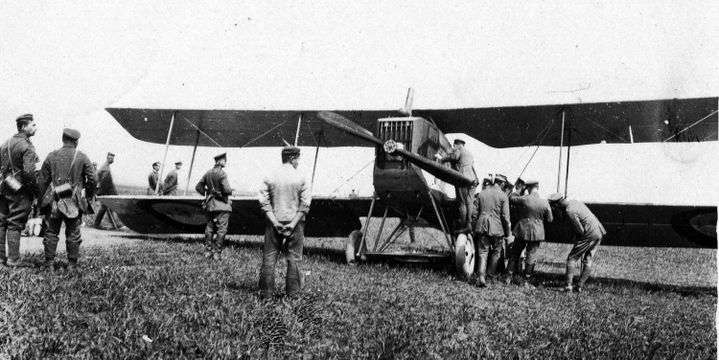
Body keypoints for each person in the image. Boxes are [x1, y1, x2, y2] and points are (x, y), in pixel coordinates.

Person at [38, 128, 96, 271]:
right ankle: (72, 265)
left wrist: (42, 201)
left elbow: (41, 181)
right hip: (74, 202)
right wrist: (88, 194)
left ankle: (49, 265)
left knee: (51, 232)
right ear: (76, 141)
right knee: (73, 233)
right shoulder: (82, 157)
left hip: (55, 201)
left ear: (63, 139)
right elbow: (93, 178)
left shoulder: (52, 156)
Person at [258, 146, 311, 299]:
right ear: (293, 158)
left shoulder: (270, 175)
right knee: (294, 258)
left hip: (274, 221)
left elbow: (263, 202)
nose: (298, 162)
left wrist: (275, 222)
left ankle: (266, 294)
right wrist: (293, 224)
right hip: (296, 223)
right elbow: (305, 204)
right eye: (297, 159)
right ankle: (293, 295)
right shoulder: (301, 176)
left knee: (269, 258)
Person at [0, 114, 39, 267]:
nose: (36, 128)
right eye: (33, 125)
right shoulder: (27, 146)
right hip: (19, 191)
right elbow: (29, 173)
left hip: (3, 187)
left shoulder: (5, 143)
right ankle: (14, 259)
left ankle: (1, 258)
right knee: (15, 223)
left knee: (1, 222)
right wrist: (33, 191)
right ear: (23, 127)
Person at [548, 193, 606, 293]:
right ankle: (579, 286)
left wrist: (577, 238)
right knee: (588, 259)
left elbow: (580, 230)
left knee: (572, 259)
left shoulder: (569, 211)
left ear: (557, 205)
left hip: (589, 234)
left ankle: (568, 286)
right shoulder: (575, 202)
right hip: (598, 231)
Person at [508, 180, 553, 281]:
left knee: (515, 253)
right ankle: (527, 280)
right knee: (531, 255)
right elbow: (550, 219)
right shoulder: (544, 202)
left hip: (522, 230)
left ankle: (508, 277)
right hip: (536, 232)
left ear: (527, 188)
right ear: (538, 187)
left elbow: (511, 198)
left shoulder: (525, 199)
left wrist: (520, 189)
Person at [473, 174, 511, 287]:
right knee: (496, 252)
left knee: (482, 252)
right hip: (497, 228)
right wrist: (507, 233)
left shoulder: (482, 193)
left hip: (482, 226)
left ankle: (480, 276)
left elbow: (475, 213)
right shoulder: (503, 196)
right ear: (502, 184)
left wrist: (475, 227)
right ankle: (489, 276)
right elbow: (505, 217)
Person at [435, 138, 478, 233]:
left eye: (454, 145)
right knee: (469, 202)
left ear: (458, 144)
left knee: (462, 203)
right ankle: (469, 224)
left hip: (463, 178)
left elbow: (454, 157)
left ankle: (462, 226)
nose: (453, 147)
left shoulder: (458, 149)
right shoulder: (469, 153)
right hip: (473, 179)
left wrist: (442, 159)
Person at [195, 153, 233, 260]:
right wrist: (230, 190)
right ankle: (217, 254)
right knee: (222, 230)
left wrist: (207, 193)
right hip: (222, 206)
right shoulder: (222, 174)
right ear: (219, 162)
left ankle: (207, 252)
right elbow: (227, 190)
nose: (226, 162)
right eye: (224, 160)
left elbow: (198, 187)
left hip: (210, 205)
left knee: (210, 228)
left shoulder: (208, 173)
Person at [94, 152, 118, 229]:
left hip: (107, 192)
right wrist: (104, 195)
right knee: (105, 207)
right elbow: (103, 183)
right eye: (111, 158)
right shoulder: (106, 169)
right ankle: (97, 224)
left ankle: (114, 224)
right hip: (107, 192)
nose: (113, 159)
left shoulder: (105, 167)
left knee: (107, 207)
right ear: (108, 158)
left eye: (113, 158)